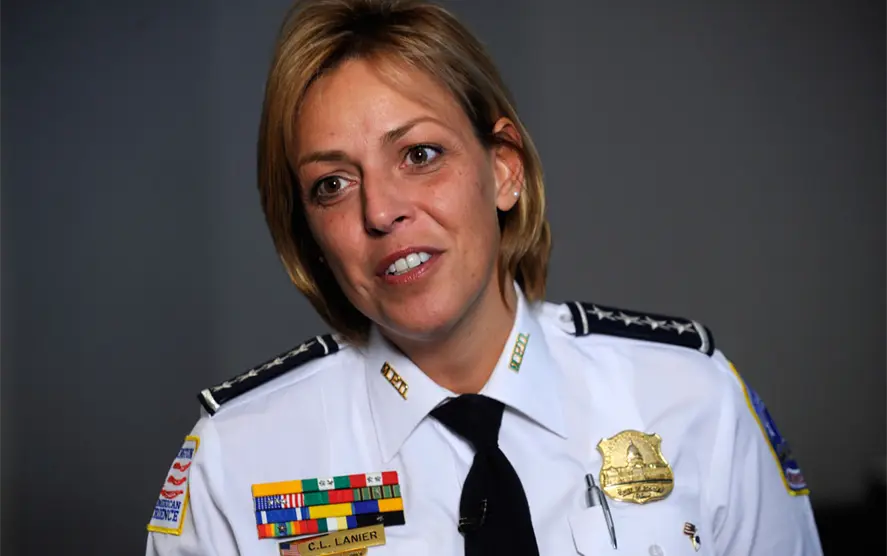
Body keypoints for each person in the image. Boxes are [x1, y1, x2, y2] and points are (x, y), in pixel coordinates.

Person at [145, 0, 823, 554]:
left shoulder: (691, 399)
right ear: (311, 235)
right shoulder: (237, 460)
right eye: (332, 184)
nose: (379, 211)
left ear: (503, 169)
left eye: (419, 154)